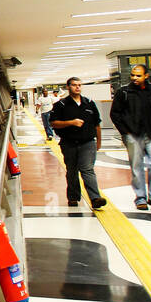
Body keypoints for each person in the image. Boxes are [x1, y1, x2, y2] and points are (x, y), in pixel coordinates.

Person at [110, 63, 151, 211]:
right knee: (136, 167)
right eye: (133, 75)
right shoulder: (124, 92)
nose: (135, 78)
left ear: (146, 76)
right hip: (133, 135)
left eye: (138, 75)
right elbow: (115, 114)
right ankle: (140, 198)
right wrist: (125, 132)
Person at [49, 77, 106, 210]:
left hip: (87, 142)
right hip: (69, 143)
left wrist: (99, 142)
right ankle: (73, 197)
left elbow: (97, 124)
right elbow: (53, 123)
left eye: (79, 85)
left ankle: (95, 198)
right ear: (68, 87)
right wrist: (71, 122)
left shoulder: (89, 103)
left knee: (87, 169)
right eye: (74, 85)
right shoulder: (61, 105)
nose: (78, 87)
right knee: (72, 170)